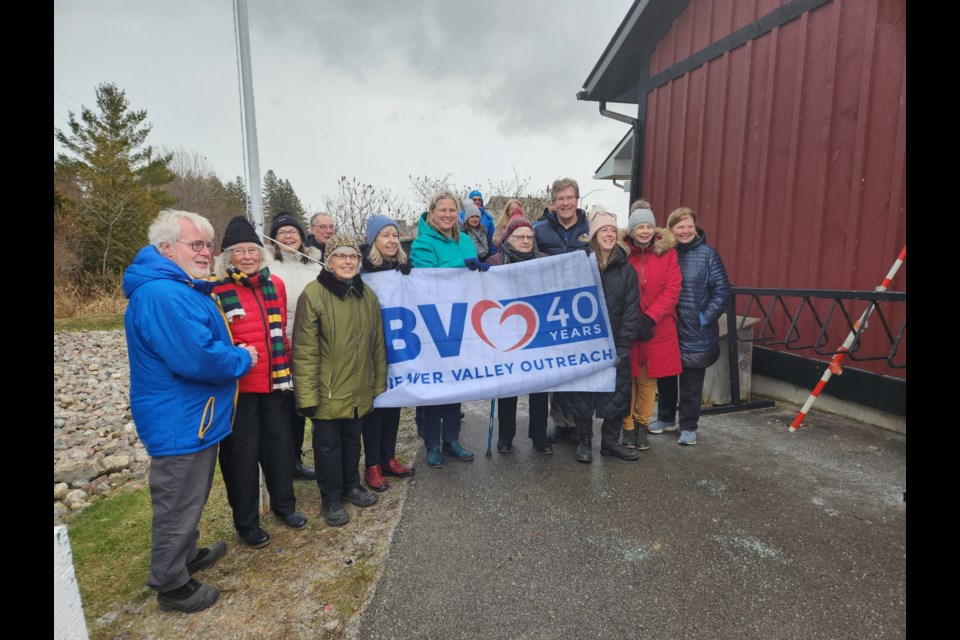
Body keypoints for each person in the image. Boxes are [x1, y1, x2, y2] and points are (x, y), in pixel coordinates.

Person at [123, 209, 255, 613]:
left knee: (190, 494)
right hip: (180, 418)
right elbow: (197, 357)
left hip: (192, 414)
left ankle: (186, 552)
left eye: (207, 245)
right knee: (178, 498)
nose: (205, 252)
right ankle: (171, 582)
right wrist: (241, 358)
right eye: (195, 244)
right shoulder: (163, 294)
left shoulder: (175, 285)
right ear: (166, 248)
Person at [213, 216, 307, 549]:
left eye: (253, 249)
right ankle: (247, 523)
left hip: (276, 382)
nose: (248, 256)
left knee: (280, 449)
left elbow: (281, 332)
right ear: (228, 256)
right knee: (241, 458)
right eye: (240, 251)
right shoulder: (217, 288)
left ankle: (285, 507)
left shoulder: (275, 285)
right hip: (240, 390)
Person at [293, 234, 387, 526]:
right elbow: (305, 351)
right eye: (341, 256)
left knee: (352, 441)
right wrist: (307, 397)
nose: (348, 262)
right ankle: (331, 498)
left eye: (353, 257)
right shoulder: (313, 294)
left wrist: (377, 383)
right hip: (327, 390)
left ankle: (352, 486)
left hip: (359, 387)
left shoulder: (367, 295)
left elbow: (377, 345)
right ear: (329, 260)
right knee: (327, 447)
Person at [553, 210, 640, 463]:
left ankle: (611, 442)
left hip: (615, 342)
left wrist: (624, 344)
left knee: (617, 392)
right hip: (585, 340)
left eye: (613, 230)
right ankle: (584, 440)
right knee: (583, 392)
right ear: (594, 235)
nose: (609, 234)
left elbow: (631, 310)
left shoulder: (627, 270)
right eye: (604, 230)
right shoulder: (579, 264)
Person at [410, 191, 482, 468]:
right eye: (443, 210)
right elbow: (426, 278)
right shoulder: (422, 242)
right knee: (436, 386)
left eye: (453, 210)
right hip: (432, 320)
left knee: (456, 385)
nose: (448, 215)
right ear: (432, 212)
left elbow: (471, 277)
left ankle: (452, 439)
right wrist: (460, 265)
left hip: (460, 317)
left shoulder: (465, 240)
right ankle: (432, 443)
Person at [649, 207, 731, 445]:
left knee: (691, 382)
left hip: (696, 330)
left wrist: (704, 318)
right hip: (667, 328)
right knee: (665, 377)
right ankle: (665, 418)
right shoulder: (663, 253)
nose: (685, 231)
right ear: (670, 229)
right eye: (680, 227)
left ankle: (688, 425)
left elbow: (721, 290)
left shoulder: (708, 255)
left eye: (689, 226)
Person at [487, 216, 553, 455]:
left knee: (539, 388)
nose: (526, 241)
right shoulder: (495, 262)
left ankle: (539, 436)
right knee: (508, 387)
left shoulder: (544, 261)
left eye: (530, 237)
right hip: (507, 333)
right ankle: (505, 436)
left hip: (538, 331)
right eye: (520, 237)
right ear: (509, 239)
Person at [359, 215, 415, 491]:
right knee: (375, 406)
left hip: (398, 344)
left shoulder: (404, 266)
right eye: (385, 235)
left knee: (393, 402)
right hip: (371, 346)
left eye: (394, 235)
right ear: (373, 241)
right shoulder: (361, 270)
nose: (392, 240)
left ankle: (387, 457)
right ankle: (371, 465)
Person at [620, 201, 682, 451]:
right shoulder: (623, 253)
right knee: (627, 379)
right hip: (629, 325)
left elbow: (672, 289)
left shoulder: (668, 253)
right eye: (639, 227)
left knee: (647, 381)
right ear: (632, 230)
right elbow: (619, 288)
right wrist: (634, 319)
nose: (644, 231)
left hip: (657, 327)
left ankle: (642, 425)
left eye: (648, 226)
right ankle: (627, 426)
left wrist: (650, 318)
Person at [534, 178, 591, 444]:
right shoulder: (539, 230)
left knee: (580, 368)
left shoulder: (590, 228)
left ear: (577, 200)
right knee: (555, 367)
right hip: (549, 308)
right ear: (553, 202)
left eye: (570, 198)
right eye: (560, 199)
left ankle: (580, 423)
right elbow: (520, 255)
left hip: (582, 308)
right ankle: (560, 421)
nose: (566, 203)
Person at [265, 212, 322, 481]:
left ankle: (297, 459)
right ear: (274, 239)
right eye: (283, 232)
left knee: (302, 403)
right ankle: (281, 462)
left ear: (302, 236)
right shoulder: (267, 265)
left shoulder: (314, 265)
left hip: (309, 342)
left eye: (293, 232)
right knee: (281, 406)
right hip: (278, 342)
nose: (289, 236)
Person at [457, 189, 497, 258]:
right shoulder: (460, 216)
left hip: (485, 257)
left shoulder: (488, 218)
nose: (477, 202)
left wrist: (492, 256)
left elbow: (491, 239)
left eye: (479, 200)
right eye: (474, 200)